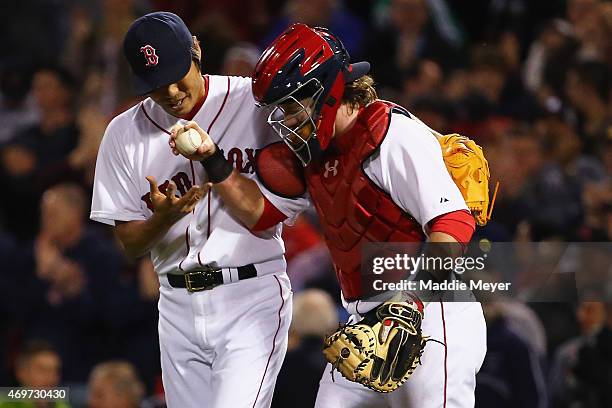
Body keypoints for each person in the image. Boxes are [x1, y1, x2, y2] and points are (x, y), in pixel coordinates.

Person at [249, 23, 487, 407]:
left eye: (294, 103)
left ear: (324, 89)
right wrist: (214, 164)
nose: (287, 119)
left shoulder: (390, 133)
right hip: (366, 322)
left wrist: (411, 302)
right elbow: (263, 216)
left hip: (433, 312)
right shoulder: (316, 152)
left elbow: (453, 222)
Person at [90, 12, 306, 408]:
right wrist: (164, 218)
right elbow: (130, 243)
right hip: (176, 306)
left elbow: (270, 214)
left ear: (197, 50)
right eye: (156, 85)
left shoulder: (254, 103)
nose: (171, 91)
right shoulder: (122, 134)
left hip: (250, 294)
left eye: (177, 74)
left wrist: (216, 161)